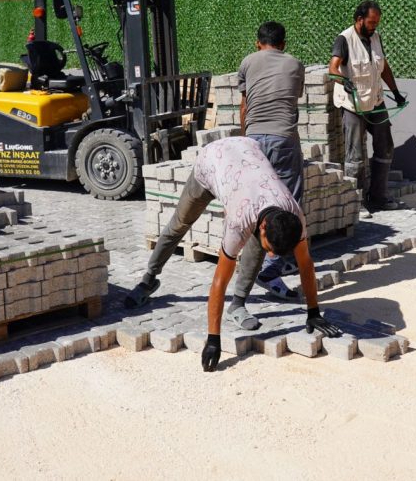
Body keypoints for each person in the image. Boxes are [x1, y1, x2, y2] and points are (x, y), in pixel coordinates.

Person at [123, 136, 342, 372]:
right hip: (212, 162)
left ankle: (237, 304)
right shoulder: (240, 220)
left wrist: (313, 312)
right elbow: (219, 281)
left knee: (257, 245)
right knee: (180, 223)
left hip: (246, 153)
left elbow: (306, 264)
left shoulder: (294, 216)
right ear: (264, 227)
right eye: (271, 249)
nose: (271, 257)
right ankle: (148, 279)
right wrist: (213, 339)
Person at [231, 21, 305, 327]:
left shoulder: (248, 62)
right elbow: (291, 99)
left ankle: (256, 263)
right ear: (283, 43)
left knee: (257, 203)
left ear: (258, 42)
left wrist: (245, 137)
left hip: (255, 139)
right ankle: (273, 266)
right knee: (290, 203)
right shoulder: (295, 64)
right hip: (284, 139)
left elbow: (245, 105)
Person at [329, 0, 406, 212]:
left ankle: (379, 197)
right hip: (353, 104)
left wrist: (396, 92)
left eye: (377, 23)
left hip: (376, 101)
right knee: (354, 155)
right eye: (371, 22)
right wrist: (343, 82)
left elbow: (384, 68)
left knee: (386, 146)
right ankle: (357, 202)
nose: (374, 26)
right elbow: (333, 67)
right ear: (359, 19)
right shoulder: (344, 39)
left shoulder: (376, 38)